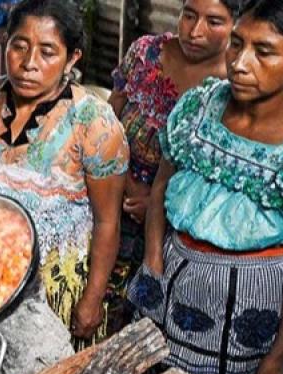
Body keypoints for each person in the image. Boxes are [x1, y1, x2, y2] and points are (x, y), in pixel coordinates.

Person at [131, 0, 283, 374]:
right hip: (176, 284)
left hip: (255, 308)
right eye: (236, 44)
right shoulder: (198, 107)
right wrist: (154, 265)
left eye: (263, 51)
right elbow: (161, 186)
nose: (240, 63)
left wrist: (278, 355)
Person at [0, 0, 129, 350]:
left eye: (48, 52)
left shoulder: (94, 124)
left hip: (55, 288)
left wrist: (92, 300)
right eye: (19, 46)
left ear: (73, 59)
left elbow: (108, 222)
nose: (29, 63)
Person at [105, 0, 241, 324]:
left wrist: (153, 202)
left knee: (143, 314)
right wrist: (125, 184)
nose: (195, 31)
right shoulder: (146, 53)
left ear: (237, 26)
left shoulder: (233, 88)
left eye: (214, 21)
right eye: (189, 15)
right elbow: (107, 119)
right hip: (109, 191)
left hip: (171, 225)